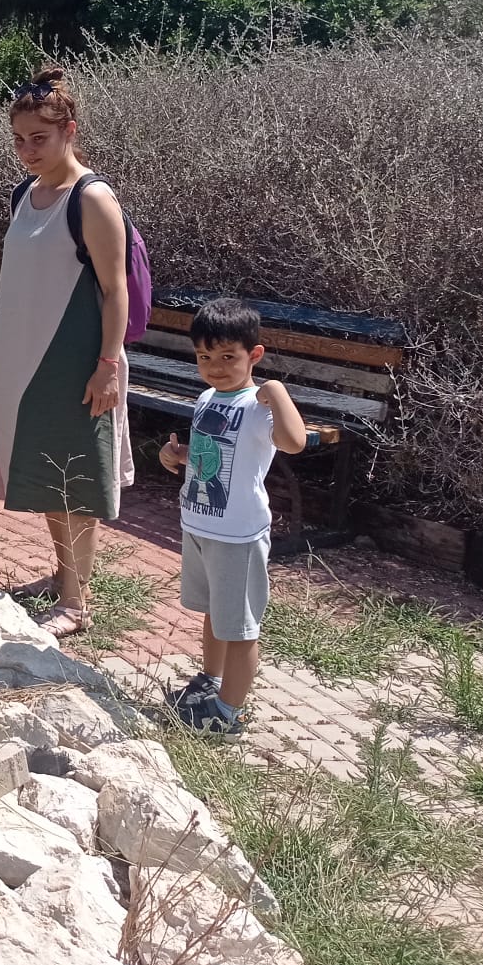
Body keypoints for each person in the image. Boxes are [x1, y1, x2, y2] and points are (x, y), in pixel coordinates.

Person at [0, 65, 133, 639]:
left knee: (76, 480)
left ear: (69, 130)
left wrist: (107, 365)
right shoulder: (25, 193)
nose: (26, 150)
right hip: (28, 359)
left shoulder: (92, 198)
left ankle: (77, 601)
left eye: (38, 138)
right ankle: (63, 576)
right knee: (48, 472)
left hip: (77, 358)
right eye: (18, 139)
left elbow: (116, 289)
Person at [158, 297, 309, 735]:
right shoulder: (207, 397)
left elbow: (295, 442)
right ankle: (212, 680)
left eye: (229, 357)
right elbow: (214, 454)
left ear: (253, 355)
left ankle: (227, 712)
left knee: (241, 626)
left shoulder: (260, 405)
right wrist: (179, 454)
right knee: (214, 612)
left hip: (238, 535)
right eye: (205, 357)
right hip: (201, 525)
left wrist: (277, 390)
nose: (216, 366)